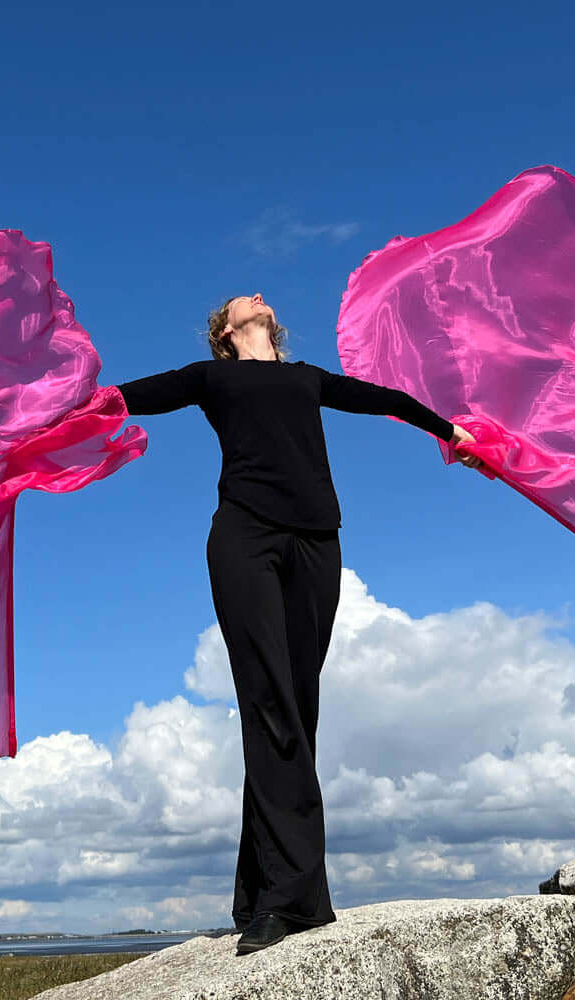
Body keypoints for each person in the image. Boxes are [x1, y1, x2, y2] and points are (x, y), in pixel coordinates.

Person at [114, 293, 481, 956]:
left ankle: (261, 892)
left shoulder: (307, 377)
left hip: (318, 539)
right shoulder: (212, 377)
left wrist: (452, 433)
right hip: (244, 537)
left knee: (298, 708)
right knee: (270, 701)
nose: (255, 297)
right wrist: (44, 412)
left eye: (258, 299)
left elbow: (387, 399)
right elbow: (123, 397)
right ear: (226, 331)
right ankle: (289, 901)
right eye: (239, 302)